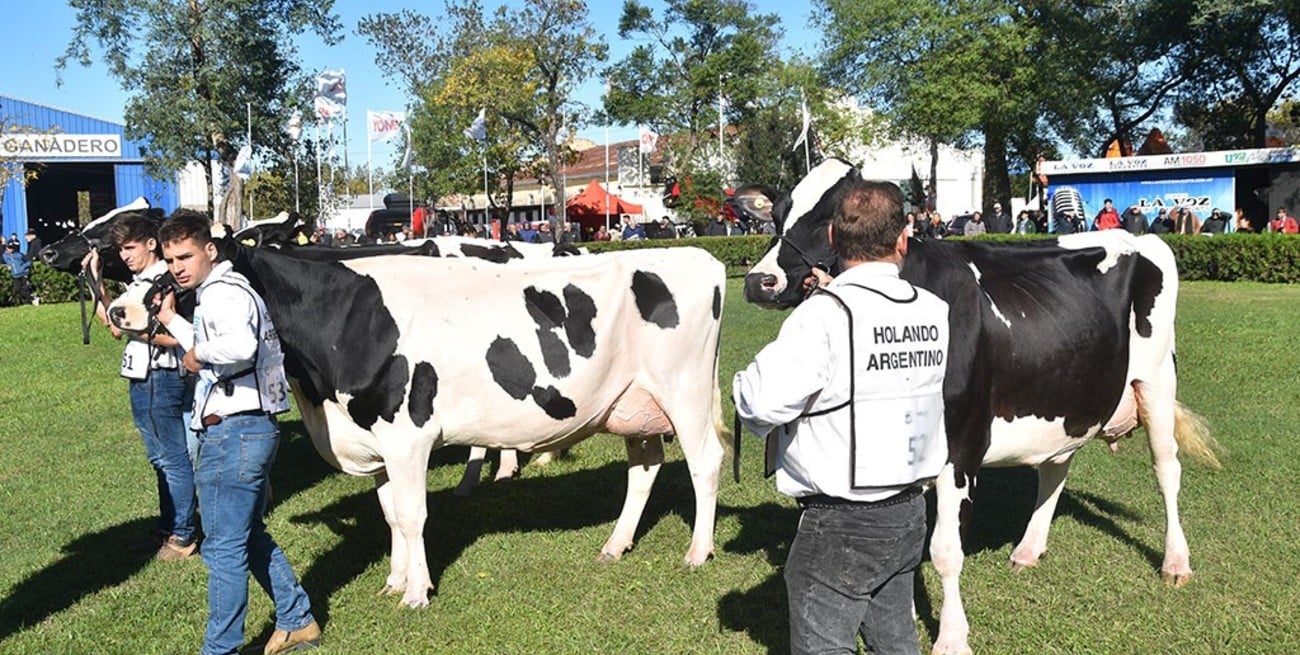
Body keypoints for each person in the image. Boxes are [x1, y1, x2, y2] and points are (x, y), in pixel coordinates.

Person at [734, 178, 947, 655]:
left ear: (831, 238)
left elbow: (761, 402)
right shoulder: (934, 309)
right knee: (896, 641)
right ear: (902, 239)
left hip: (840, 521)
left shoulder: (824, 316)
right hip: (910, 511)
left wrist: (740, 383)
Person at [155, 213, 320, 655]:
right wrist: (173, 321)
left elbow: (238, 347)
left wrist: (197, 355)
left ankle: (221, 648)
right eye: (170, 259)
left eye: (185, 255)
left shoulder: (224, 294)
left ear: (210, 250)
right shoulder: (219, 293)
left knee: (223, 549)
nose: (177, 267)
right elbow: (219, 341)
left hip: (235, 431)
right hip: (243, 429)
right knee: (244, 535)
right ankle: (298, 619)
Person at [85, 214, 200, 560]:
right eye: (120, 249)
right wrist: (98, 286)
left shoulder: (163, 283)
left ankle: (183, 534)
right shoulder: (142, 283)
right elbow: (115, 327)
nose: (125, 255)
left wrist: (141, 331)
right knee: (164, 458)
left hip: (157, 376)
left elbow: (180, 335)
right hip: (149, 376)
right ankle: (172, 526)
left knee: (170, 458)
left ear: (151, 243)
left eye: (130, 247)